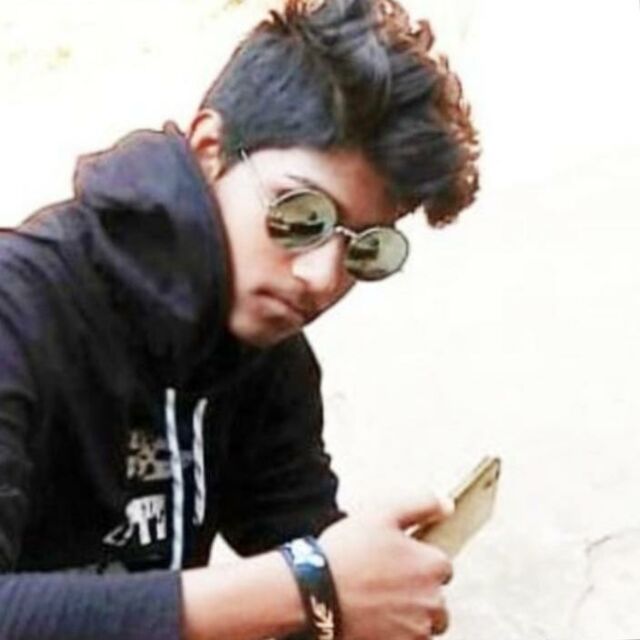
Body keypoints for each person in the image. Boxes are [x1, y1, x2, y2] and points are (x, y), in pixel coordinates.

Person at [0, 0, 479, 637]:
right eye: (301, 215)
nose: (321, 276)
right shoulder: (19, 309)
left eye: (366, 248)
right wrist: (310, 584)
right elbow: (304, 579)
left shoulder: (267, 356)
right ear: (209, 150)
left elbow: (303, 545)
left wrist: (365, 589)